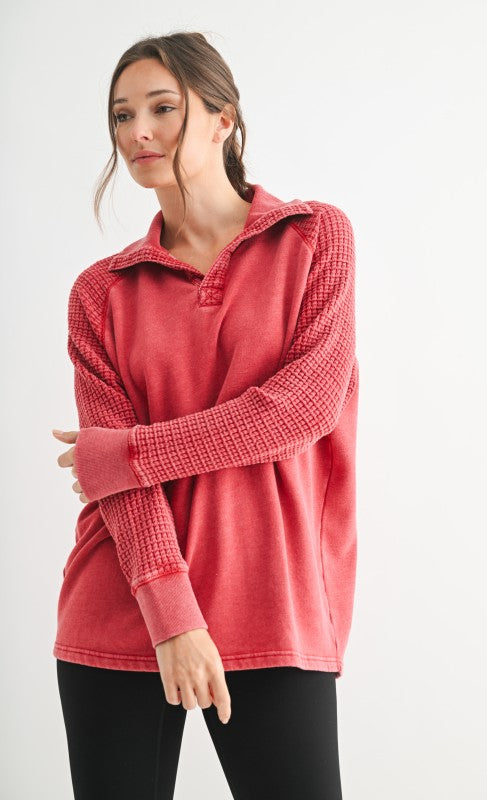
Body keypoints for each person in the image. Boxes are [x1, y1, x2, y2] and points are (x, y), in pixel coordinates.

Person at [51, 30, 358, 800]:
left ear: (223, 117)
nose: (137, 133)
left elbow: (298, 410)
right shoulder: (101, 291)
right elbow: (117, 484)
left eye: (162, 107)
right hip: (121, 604)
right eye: (121, 115)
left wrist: (122, 452)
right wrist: (175, 622)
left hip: (271, 602)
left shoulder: (314, 238)